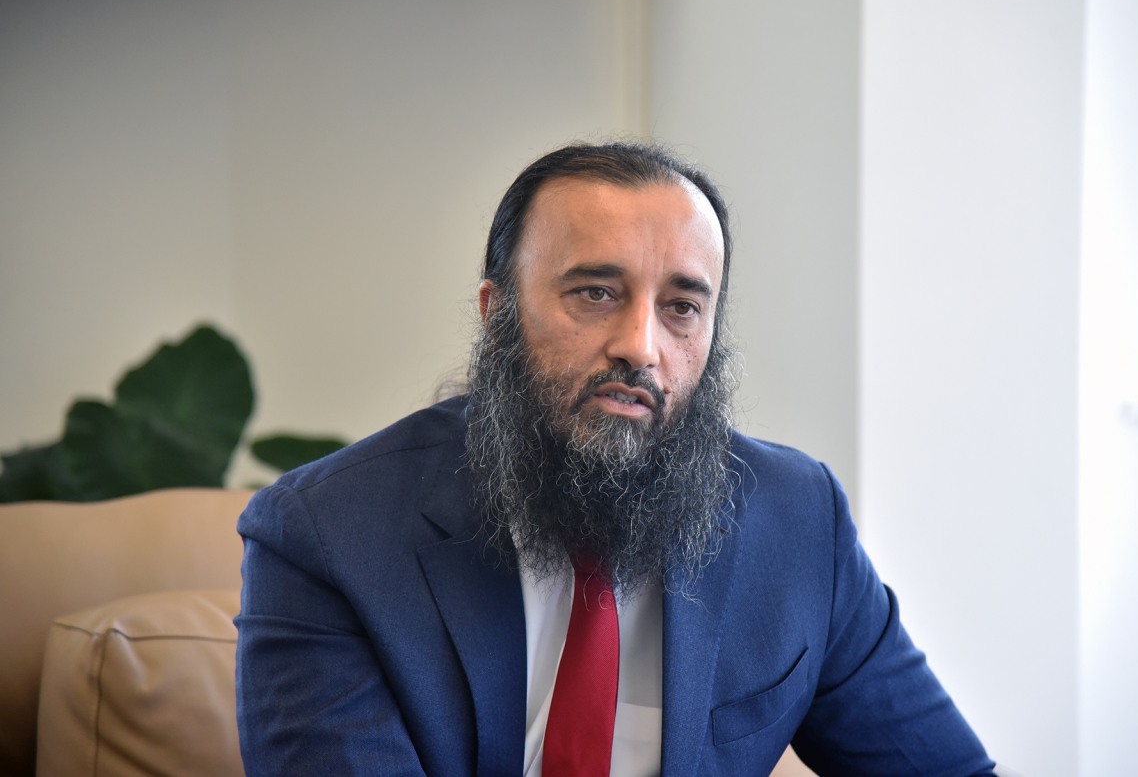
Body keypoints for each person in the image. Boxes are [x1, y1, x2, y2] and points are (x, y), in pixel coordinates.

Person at [235, 142, 996, 776]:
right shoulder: (328, 535)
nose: (640, 347)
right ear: (497, 317)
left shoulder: (799, 522)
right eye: (596, 293)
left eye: (681, 308)